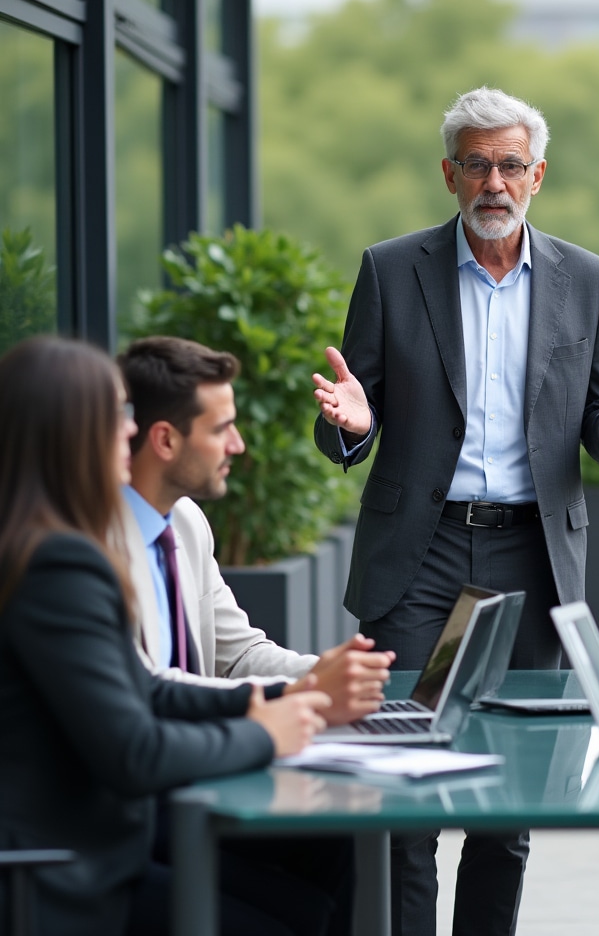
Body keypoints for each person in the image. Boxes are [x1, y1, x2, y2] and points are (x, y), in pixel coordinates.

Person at [311, 86, 599, 936]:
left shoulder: (587, 279)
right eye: (476, 164)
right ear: (449, 174)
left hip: (531, 556)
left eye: (511, 165)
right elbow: (349, 407)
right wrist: (352, 427)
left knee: (509, 796)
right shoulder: (389, 270)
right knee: (403, 789)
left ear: (537, 176)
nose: (494, 182)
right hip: (420, 552)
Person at [0, 336, 329, 936]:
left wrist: (291, 697)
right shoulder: (56, 564)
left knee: (313, 902)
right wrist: (264, 735)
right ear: (70, 436)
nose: (130, 432)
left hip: (90, 844)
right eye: (116, 416)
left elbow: (147, 689)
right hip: (64, 871)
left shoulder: (41, 547)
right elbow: (136, 751)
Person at [118, 334, 396, 936]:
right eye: (222, 429)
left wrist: (334, 672)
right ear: (165, 440)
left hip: (192, 777)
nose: (238, 445)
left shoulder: (185, 522)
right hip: (139, 804)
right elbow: (149, 688)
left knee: (336, 838)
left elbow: (239, 651)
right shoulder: (90, 546)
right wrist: (300, 697)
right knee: (296, 909)